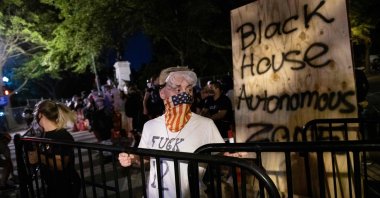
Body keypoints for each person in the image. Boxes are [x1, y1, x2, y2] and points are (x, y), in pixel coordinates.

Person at [118, 66, 226, 197]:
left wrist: (236, 155)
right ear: (162, 93)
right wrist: (133, 158)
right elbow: (146, 158)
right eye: (177, 88)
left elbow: (222, 157)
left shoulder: (205, 125)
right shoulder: (150, 126)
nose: (184, 94)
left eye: (189, 89)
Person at [28, 100, 81, 198]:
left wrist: (38, 157)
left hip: (66, 187)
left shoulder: (62, 135)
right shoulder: (45, 134)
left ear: (40, 115)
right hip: (54, 185)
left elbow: (60, 165)